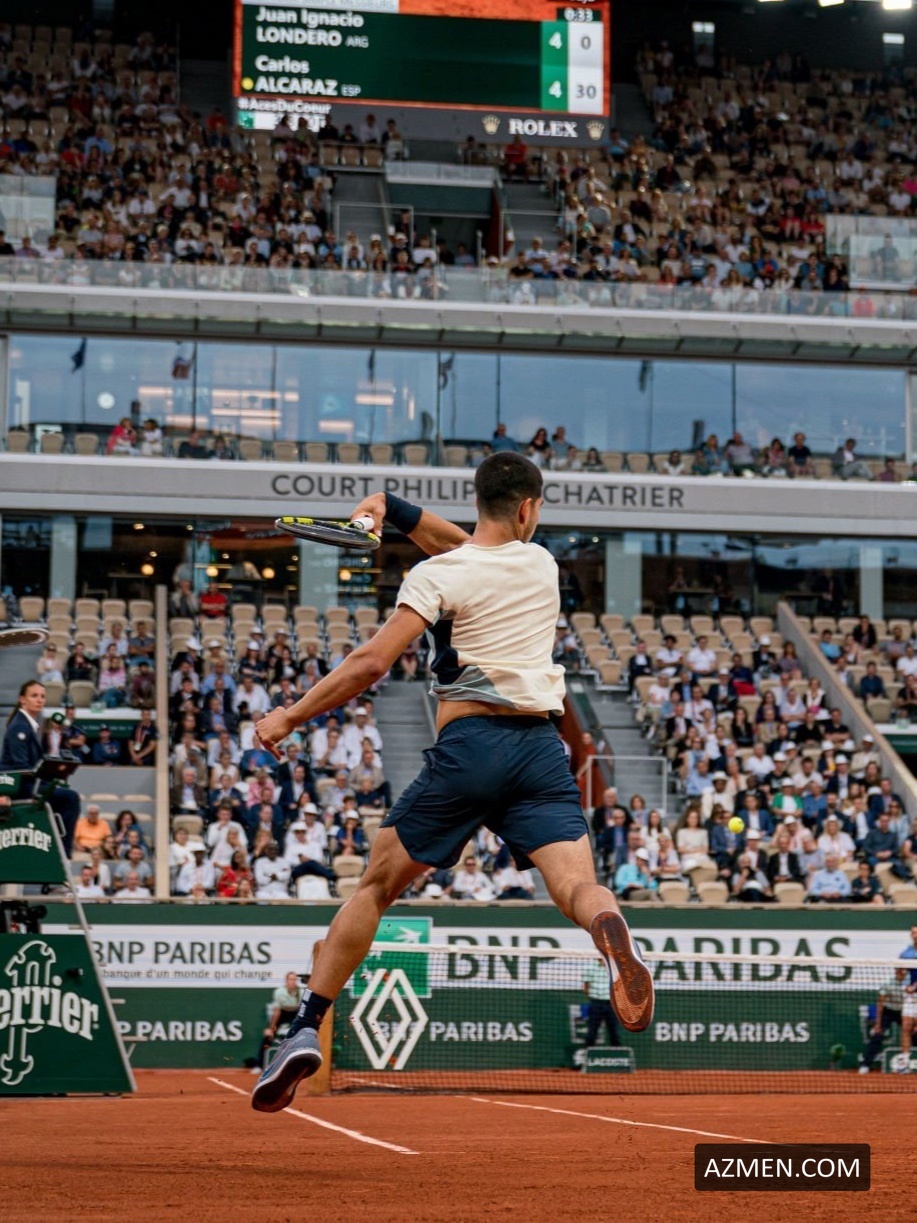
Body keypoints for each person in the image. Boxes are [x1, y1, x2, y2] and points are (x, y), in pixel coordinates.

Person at [251, 455, 653, 1112]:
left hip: (470, 748)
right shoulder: (541, 563)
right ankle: (611, 931)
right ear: (527, 508)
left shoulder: (439, 574)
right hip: (540, 750)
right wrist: (390, 508)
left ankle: (304, 1026)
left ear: (482, 501)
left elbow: (371, 662)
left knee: (375, 887)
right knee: (577, 887)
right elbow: (468, 548)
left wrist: (290, 716)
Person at [0, 680, 80, 856]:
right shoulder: (20, 727)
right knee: (70, 798)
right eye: (34, 696)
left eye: (42, 696)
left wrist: (55, 770)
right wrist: (47, 772)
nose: (39, 700)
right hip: (19, 787)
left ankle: (55, 845)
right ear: (22, 699)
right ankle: (62, 851)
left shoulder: (28, 725)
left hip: (28, 783)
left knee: (62, 792)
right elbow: (21, 767)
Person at [248, 971, 304, 1072]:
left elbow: (303, 1010)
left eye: (294, 980)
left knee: (302, 1036)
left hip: (296, 1014)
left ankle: (301, 1066)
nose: (292, 982)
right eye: (290, 979)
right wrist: (271, 1028)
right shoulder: (279, 992)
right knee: (268, 1036)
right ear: (286, 981)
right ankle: (259, 1065)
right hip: (282, 1013)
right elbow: (277, 1012)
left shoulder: (302, 992)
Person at [859, 968, 906, 1074]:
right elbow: (880, 1004)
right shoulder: (888, 984)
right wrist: (878, 1024)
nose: (902, 974)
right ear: (896, 972)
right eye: (900, 971)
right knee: (877, 1036)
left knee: (914, 1034)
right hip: (887, 1012)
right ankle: (865, 1065)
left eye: (904, 972)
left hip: (904, 1012)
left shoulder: (909, 985)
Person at [582, 954, 622, 1050]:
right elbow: (586, 987)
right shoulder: (589, 968)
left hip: (611, 1004)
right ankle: (587, 1053)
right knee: (592, 1029)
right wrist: (594, 997)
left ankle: (618, 1054)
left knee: (614, 1030)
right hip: (596, 1003)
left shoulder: (615, 968)